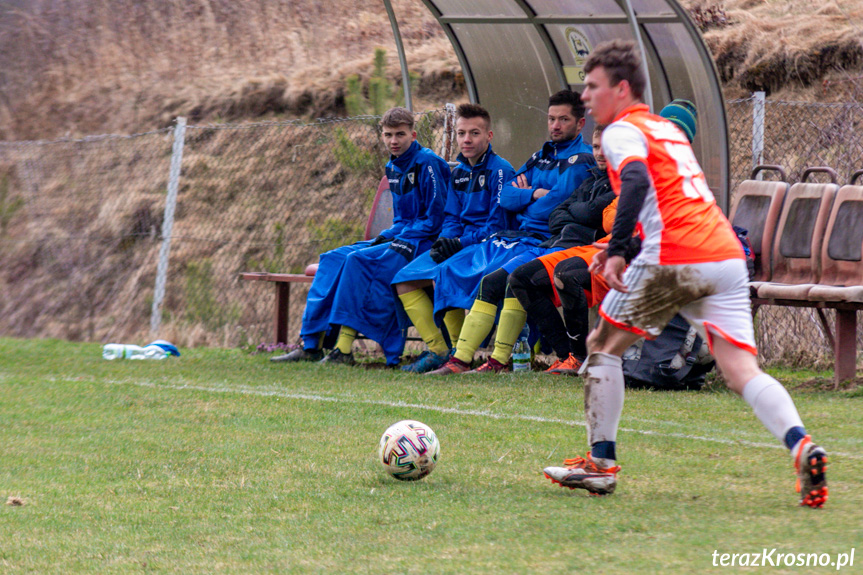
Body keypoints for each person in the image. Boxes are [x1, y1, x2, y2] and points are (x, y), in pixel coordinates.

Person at [542, 40, 827, 509]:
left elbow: (635, 183)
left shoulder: (621, 131)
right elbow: (667, 202)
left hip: (676, 256)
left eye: (593, 87)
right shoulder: (666, 131)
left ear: (622, 88)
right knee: (740, 369)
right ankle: (803, 445)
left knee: (602, 346)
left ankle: (600, 464)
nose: (586, 98)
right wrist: (625, 247)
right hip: (725, 256)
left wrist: (616, 252)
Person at [518, 100, 699, 376]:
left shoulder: (682, 179)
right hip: (609, 244)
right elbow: (603, 214)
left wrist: (620, 237)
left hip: (636, 253)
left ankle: (580, 357)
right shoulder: (637, 169)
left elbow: (625, 218)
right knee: (523, 277)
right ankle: (567, 354)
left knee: (569, 275)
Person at [427, 90, 596, 375]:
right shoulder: (540, 156)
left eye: (563, 119)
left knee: (501, 282)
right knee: (454, 272)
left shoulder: (580, 161)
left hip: (549, 243)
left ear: (580, 124)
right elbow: (505, 197)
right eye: (551, 118)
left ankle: (492, 360)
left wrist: (525, 196)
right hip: (520, 238)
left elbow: (553, 209)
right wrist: (534, 195)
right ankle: (459, 357)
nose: (555, 125)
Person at [271, 107, 451, 367]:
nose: (394, 141)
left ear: (413, 134)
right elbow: (400, 219)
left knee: (357, 261)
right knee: (333, 258)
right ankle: (311, 344)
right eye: (388, 135)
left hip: (424, 242)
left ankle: (343, 350)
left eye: (400, 134)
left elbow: (435, 219)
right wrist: (389, 235)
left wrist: (398, 235)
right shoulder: (392, 165)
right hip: (403, 235)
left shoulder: (428, 163)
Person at [392, 103, 515, 373]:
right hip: (460, 246)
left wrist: (459, 243)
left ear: (489, 136)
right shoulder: (458, 172)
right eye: (461, 134)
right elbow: (451, 218)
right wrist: (445, 241)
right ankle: (439, 350)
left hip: (488, 247)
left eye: (474, 133)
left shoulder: (501, 171)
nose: (467, 140)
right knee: (404, 280)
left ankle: (461, 355)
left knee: (443, 274)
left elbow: (497, 227)